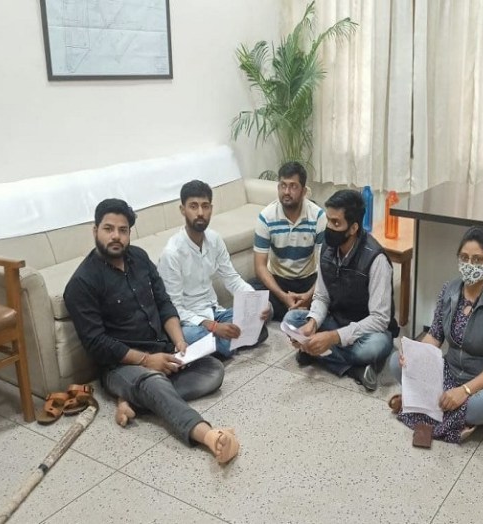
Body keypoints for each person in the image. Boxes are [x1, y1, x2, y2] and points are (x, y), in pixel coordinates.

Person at [64, 198, 239, 464]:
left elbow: (164, 303)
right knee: (153, 382)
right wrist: (147, 361)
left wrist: (179, 342)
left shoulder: (139, 258)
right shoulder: (81, 283)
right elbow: (97, 343)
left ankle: (131, 400)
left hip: (162, 351)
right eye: (108, 229)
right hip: (121, 366)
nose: (116, 236)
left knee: (213, 370)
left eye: (123, 230)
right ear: (95, 230)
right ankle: (209, 435)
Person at [388, 226, 483, 443]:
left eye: (478, 259)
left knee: (482, 406)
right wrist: (413, 355)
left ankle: (419, 404)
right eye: (464, 258)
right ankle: (449, 415)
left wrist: (464, 391)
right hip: (449, 372)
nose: (470, 265)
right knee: (396, 362)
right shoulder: (449, 290)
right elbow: (434, 336)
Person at [282, 189, 398, 391]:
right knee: (291, 320)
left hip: (367, 330)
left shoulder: (376, 259)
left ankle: (317, 353)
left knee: (374, 347)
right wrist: (312, 323)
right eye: (328, 220)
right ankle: (353, 369)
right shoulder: (326, 248)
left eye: (336, 223)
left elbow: (379, 319)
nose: (329, 227)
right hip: (335, 319)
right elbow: (321, 296)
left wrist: (333, 337)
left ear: (353, 228)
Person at [157, 180, 270, 359]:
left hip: (216, 312)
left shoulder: (214, 239)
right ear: (182, 210)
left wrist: (255, 302)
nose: (200, 213)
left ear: (211, 208)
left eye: (205, 206)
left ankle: (221, 347)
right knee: (193, 336)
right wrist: (213, 327)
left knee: (262, 313)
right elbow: (174, 307)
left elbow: (232, 278)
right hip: (191, 321)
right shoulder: (172, 253)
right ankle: (233, 342)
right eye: (193, 206)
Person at [250, 162, 326, 321]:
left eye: (293, 186)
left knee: (333, 286)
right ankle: (297, 309)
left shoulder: (318, 217)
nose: (286, 192)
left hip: (308, 280)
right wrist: (283, 296)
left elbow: (326, 266)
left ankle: (291, 308)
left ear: (304, 191)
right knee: (248, 290)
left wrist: (309, 295)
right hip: (278, 280)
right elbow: (260, 266)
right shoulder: (266, 217)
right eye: (283, 185)